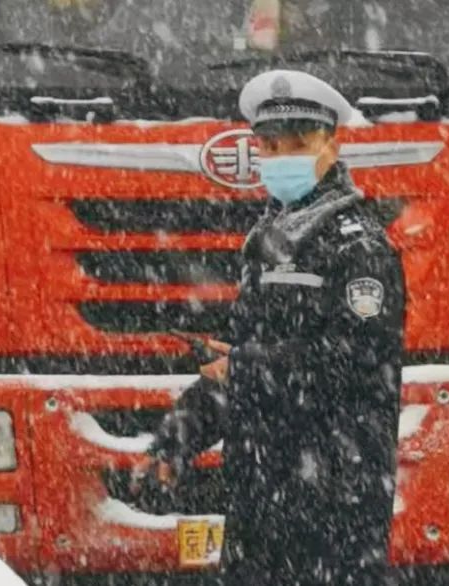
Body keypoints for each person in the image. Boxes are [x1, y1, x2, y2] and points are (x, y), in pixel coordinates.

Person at [136, 70, 406, 585]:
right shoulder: (269, 238)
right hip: (261, 498)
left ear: (331, 145)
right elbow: (245, 363)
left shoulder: (359, 247)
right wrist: (178, 437)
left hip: (333, 505)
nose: (282, 159)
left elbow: (356, 360)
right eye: (271, 146)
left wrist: (244, 366)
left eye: (298, 145)